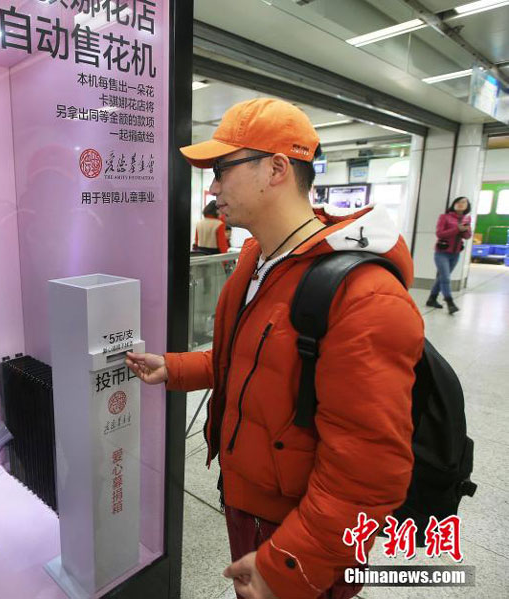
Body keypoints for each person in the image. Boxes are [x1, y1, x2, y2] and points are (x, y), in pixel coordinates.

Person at [126, 98, 424, 599]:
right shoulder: (256, 263)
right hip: (247, 496)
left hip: (305, 532)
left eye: (223, 169)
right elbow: (252, 361)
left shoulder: (365, 296)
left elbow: (370, 471)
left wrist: (290, 565)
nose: (214, 187)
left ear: (277, 168)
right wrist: (174, 367)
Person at [427, 196, 471, 314]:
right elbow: (440, 234)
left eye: (464, 202)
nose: (461, 204)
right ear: (454, 204)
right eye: (459, 202)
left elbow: (467, 236)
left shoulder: (466, 218)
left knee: (442, 277)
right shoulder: (445, 217)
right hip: (442, 253)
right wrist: (457, 229)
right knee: (445, 277)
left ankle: (432, 299)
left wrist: (465, 230)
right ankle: (450, 302)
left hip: (455, 254)